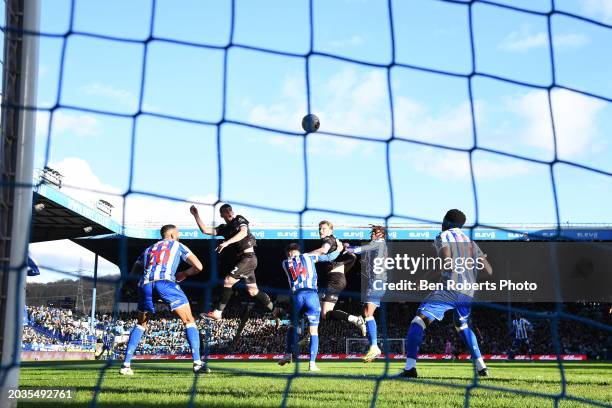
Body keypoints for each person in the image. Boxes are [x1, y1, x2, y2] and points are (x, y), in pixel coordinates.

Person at [401, 209, 493, 378]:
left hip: (448, 289)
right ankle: (482, 368)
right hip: (467, 292)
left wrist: (424, 279)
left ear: (446, 221)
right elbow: (488, 270)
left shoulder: (443, 236)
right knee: (462, 325)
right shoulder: (471, 242)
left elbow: (446, 261)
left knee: (418, 321)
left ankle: (410, 368)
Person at [119, 224, 207, 375]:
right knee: (189, 320)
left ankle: (126, 366)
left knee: (141, 324)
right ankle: (197, 363)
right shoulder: (178, 245)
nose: (179, 235)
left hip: (145, 285)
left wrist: (139, 287)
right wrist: (184, 273)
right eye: (178, 233)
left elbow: (133, 273)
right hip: (165, 283)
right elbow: (199, 267)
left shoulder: (147, 250)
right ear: (172, 234)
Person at [190, 204, 274, 319]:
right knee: (253, 291)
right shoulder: (224, 228)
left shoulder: (239, 219)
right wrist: (196, 215)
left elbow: (243, 232)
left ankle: (218, 312)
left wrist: (227, 242)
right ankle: (274, 309)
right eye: (225, 211)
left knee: (228, 281)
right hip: (243, 260)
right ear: (221, 215)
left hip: (248, 257)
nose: (229, 212)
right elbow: (205, 230)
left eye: (230, 210)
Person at [278, 243, 339, 372]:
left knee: (292, 326)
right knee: (314, 331)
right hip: (311, 296)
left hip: (297, 297)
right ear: (298, 250)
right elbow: (328, 256)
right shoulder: (308, 257)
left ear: (288, 253)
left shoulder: (285, 263)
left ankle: (288, 354)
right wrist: (338, 248)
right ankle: (312, 364)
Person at [310, 220, 364, 334]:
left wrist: (306, 255)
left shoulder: (328, 239)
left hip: (335, 280)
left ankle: (355, 319)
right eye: (319, 228)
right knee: (317, 307)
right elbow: (353, 257)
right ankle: (310, 334)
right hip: (335, 279)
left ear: (330, 230)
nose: (320, 231)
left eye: (323, 228)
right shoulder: (335, 242)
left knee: (325, 313)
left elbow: (324, 250)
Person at [345, 225, 388, 362]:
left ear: (381, 235)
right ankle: (373, 348)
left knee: (368, 313)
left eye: (375, 232)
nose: (373, 234)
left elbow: (360, 250)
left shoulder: (378, 243)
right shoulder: (379, 245)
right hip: (375, 282)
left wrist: (346, 248)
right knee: (366, 313)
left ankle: (375, 346)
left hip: (377, 282)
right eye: (372, 232)